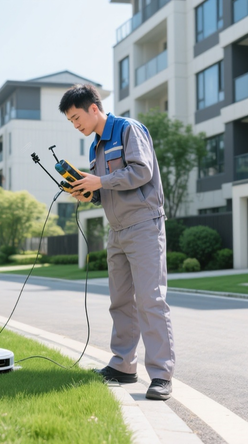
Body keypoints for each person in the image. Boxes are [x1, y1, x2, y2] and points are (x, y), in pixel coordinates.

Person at [58, 84, 175, 400]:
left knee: (150, 300)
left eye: (76, 117)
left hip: (144, 225)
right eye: (70, 121)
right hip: (117, 230)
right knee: (120, 301)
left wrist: (100, 181)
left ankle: (161, 375)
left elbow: (142, 171)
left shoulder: (128, 129)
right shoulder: (95, 147)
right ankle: (123, 365)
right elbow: (105, 190)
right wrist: (89, 192)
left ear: (94, 108)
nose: (75, 125)